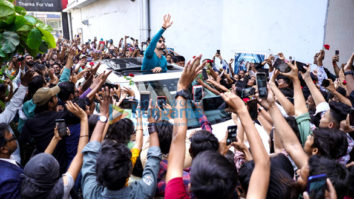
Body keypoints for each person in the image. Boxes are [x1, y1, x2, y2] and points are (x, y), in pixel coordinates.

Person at [0, 123, 23, 199]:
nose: (15, 138)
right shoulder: (10, 181)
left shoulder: (9, 159)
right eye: (12, 138)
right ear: (4, 149)